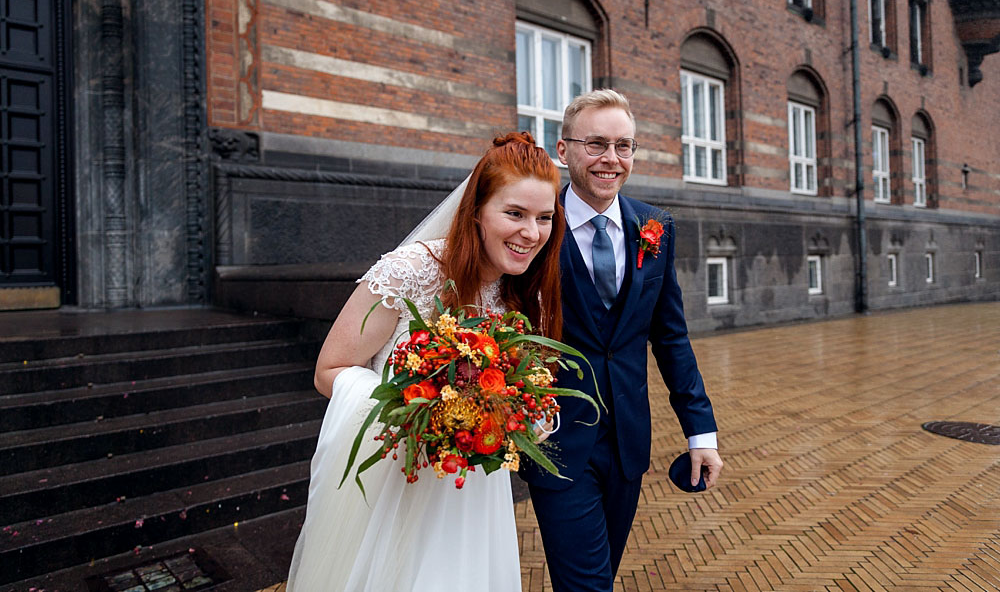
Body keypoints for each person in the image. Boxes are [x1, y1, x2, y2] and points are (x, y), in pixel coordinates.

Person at [286, 131, 565, 592]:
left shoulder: (520, 290)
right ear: (476, 210)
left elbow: (519, 389)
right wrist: (427, 410)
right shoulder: (412, 271)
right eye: (514, 213)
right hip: (395, 488)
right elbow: (329, 372)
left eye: (544, 218)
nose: (530, 233)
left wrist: (519, 413)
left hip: (471, 492)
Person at [519, 89, 724, 591]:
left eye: (624, 145)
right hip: (557, 443)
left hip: (629, 442)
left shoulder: (656, 226)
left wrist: (701, 433)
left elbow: (671, 337)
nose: (611, 159)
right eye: (596, 144)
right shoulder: (534, 227)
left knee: (600, 574)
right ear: (563, 151)